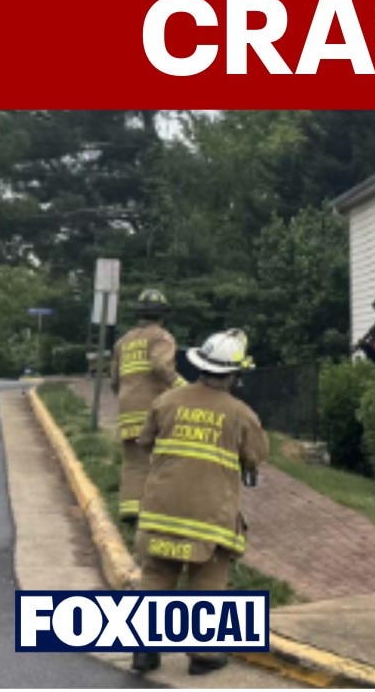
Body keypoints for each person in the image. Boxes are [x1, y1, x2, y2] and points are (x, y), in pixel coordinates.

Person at [130, 328, 267, 676]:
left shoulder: (166, 401)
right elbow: (256, 455)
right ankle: (204, 654)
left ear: (201, 366)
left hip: (161, 510)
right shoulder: (241, 414)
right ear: (235, 374)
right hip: (209, 517)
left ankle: (144, 651)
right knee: (208, 576)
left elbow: (145, 442)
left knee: (157, 575)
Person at [110, 289, 186, 527]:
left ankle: (130, 511)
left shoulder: (123, 342)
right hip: (153, 409)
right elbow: (160, 366)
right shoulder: (162, 338)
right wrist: (184, 388)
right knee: (162, 460)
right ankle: (157, 512)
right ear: (162, 315)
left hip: (127, 407)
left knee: (133, 461)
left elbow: (114, 379)